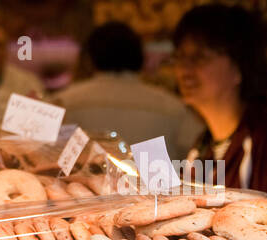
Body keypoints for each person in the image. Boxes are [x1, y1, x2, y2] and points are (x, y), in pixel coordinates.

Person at [171, 5, 267, 219]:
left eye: (200, 57)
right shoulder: (202, 147)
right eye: (180, 57)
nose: (185, 69)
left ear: (239, 67)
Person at [56, 21, 202, 157]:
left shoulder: (63, 103)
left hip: (80, 185)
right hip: (155, 184)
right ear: (140, 57)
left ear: (90, 58)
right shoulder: (174, 108)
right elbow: (200, 158)